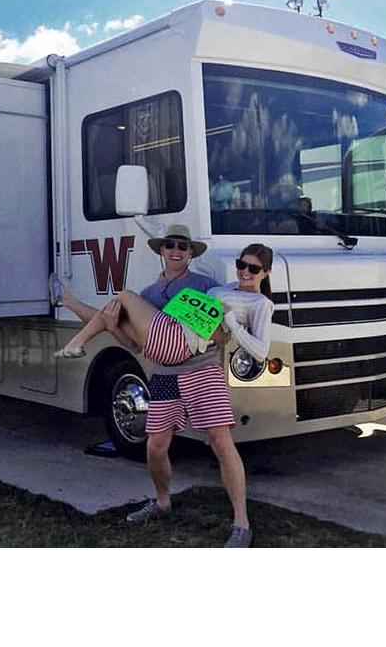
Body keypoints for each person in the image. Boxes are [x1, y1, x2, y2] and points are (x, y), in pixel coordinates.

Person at [53, 232, 274, 548]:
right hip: (164, 370)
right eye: (170, 245)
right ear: (161, 251)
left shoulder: (204, 284)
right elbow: (134, 344)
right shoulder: (152, 294)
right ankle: (162, 502)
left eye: (183, 246)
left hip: (202, 370)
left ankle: (241, 523)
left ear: (190, 254)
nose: (176, 250)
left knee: (221, 441)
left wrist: (225, 331)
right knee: (155, 446)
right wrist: (114, 326)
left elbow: (223, 330)